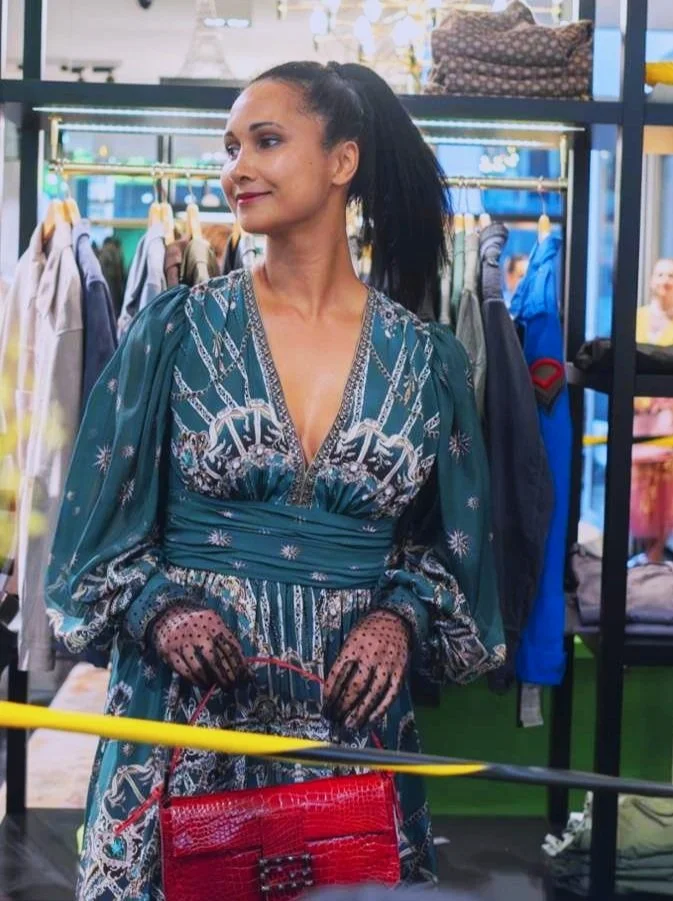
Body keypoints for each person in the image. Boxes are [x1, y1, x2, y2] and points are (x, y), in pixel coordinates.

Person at [46, 61, 505, 899]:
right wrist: (159, 608)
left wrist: (399, 616)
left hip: (347, 734)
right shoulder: (177, 330)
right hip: (182, 725)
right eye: (229, 148)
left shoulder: (424, 359)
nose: (237, 169)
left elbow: (449, 544)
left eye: (264, 141)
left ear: (341, 161)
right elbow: (91, 531)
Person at [630, 258, 673, 565]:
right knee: (640, 488)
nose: (666, 280)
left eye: (671, 275)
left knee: (665, 492)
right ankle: (645, 556)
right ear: (651, 281)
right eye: (660, 274)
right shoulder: (637, 318)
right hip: (639, 421)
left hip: (668, 423)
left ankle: (656, 557)